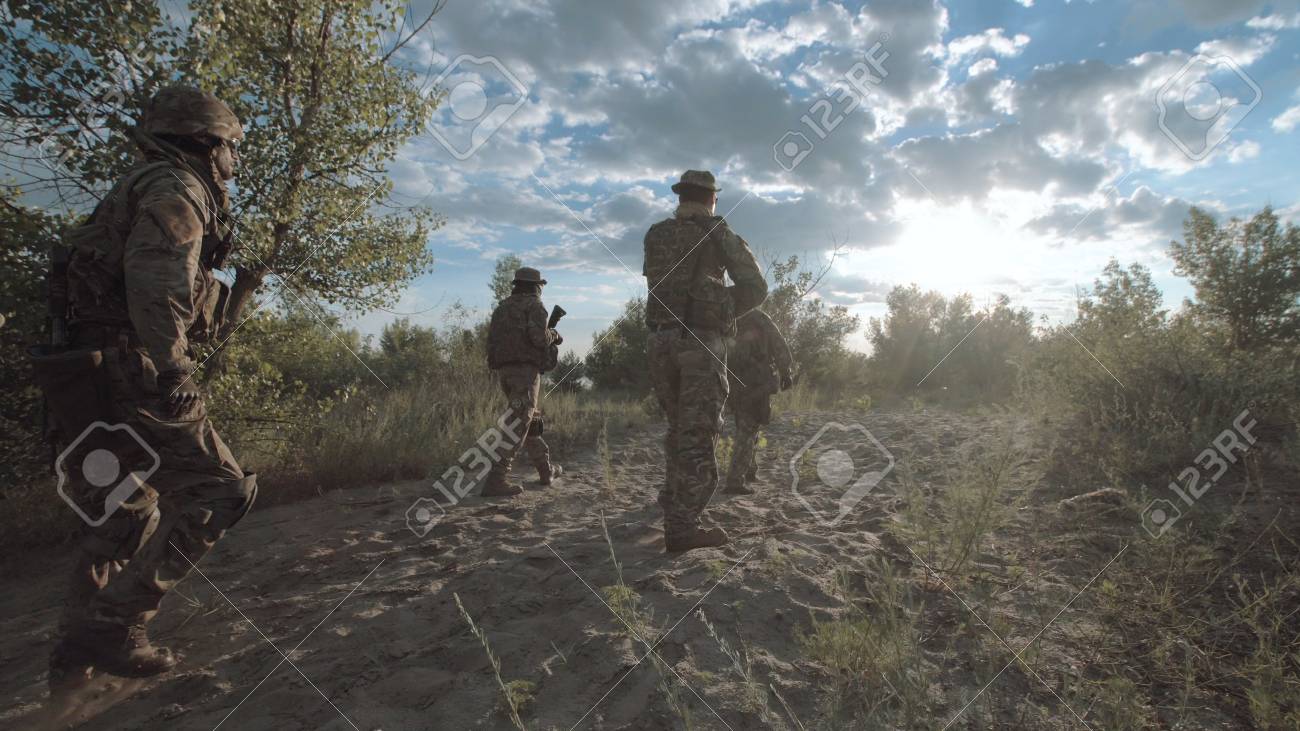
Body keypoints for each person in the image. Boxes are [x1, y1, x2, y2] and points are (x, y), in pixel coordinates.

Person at [37, 86, 257, 690]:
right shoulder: (175, 188)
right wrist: (175, 370)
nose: (235, 162)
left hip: (83, 371)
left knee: (118, 512)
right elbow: (157, 282)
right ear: (206, 145)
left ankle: (73, 658)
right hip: (131, 367)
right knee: (223, 490)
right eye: (232, 148)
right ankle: (115, 622)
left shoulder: (134, 188)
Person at [643, 170, 767, 553]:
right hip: (700, 342)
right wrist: (725, 307)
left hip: (659, 341)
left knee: (678, 428)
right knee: (699, 437)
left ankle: (671, 497)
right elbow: (756, 287)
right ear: (712, 199)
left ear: (681, 197)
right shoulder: (717, 232)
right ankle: (682, 528)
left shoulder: (656, 234)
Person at [482, 266, 564, 496]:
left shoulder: (501, 308)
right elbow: (539, 338)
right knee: (519, 426)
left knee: (529, 422)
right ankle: (496, 479)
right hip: (525, 374)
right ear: (536, 286)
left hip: (505, 373)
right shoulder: (535, 306)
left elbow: (492, 341)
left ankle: (545, 471)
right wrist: (554, 336)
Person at [723, 309, 794, 495]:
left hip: (732, 381)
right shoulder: (760, 318)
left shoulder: (728, 316)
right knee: (749, 428)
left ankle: (749, 470)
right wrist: (786, 372)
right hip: (755, 382)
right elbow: (779, 344)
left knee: (746, 425)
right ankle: (735, 481)